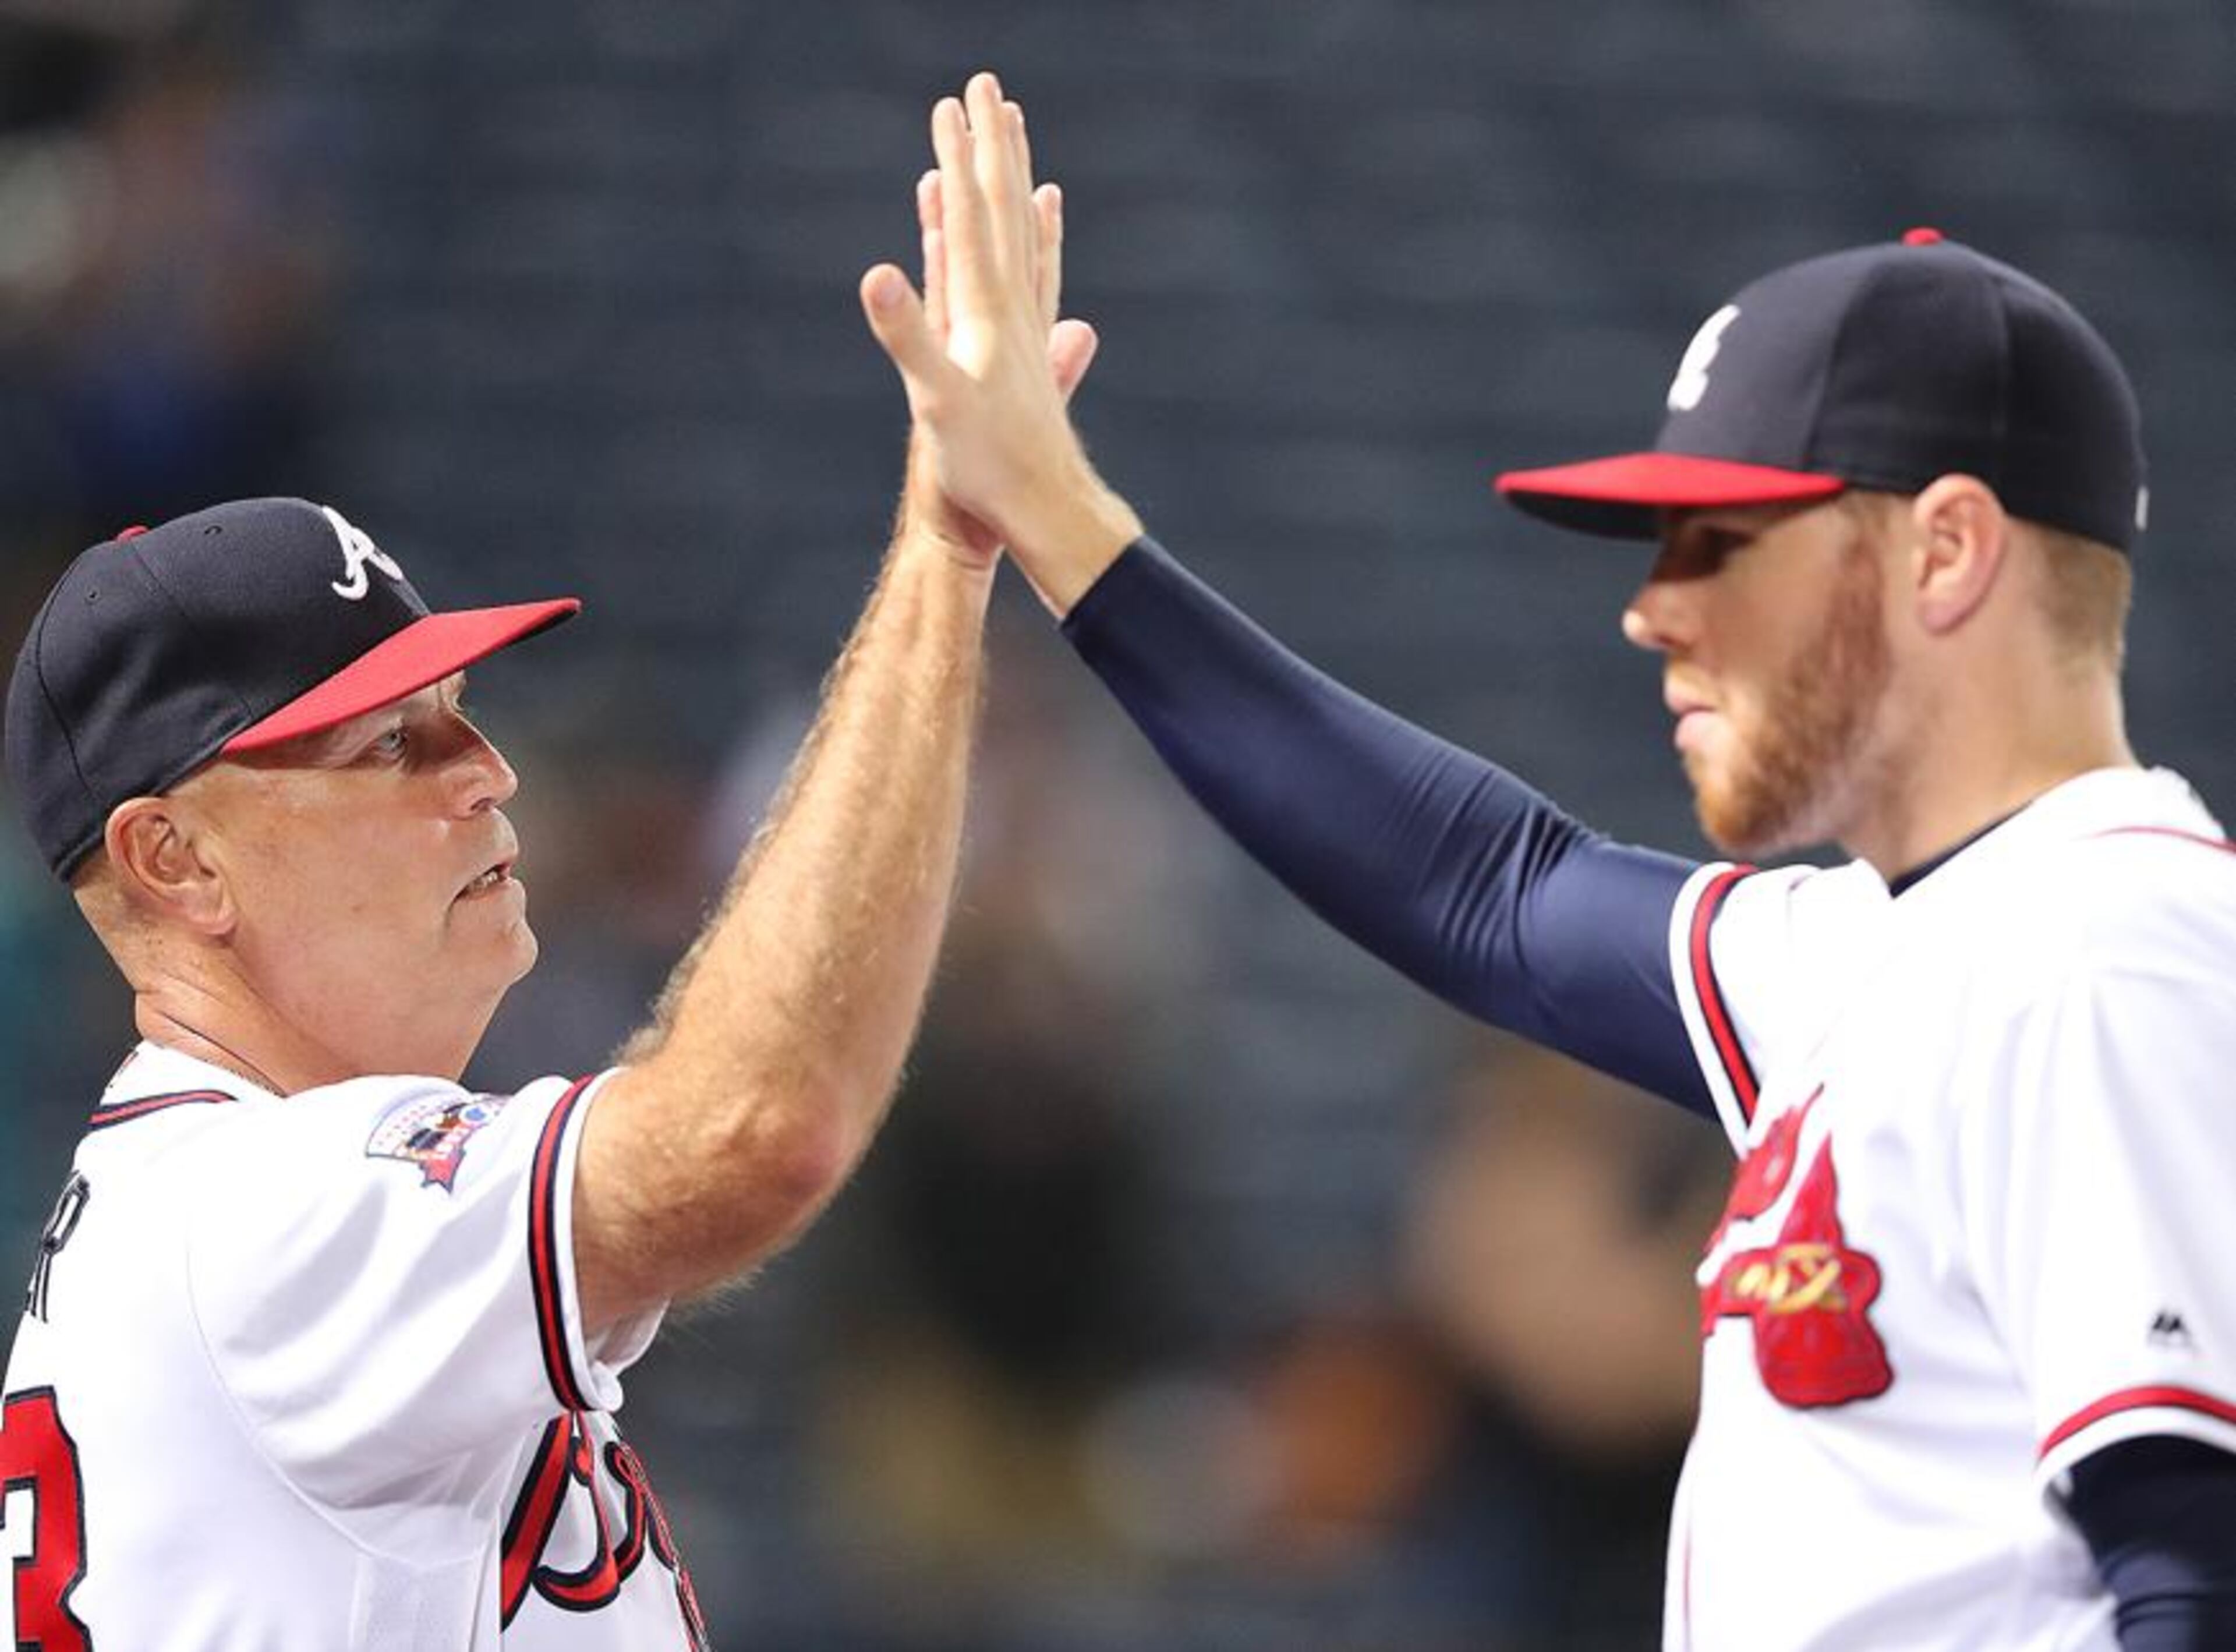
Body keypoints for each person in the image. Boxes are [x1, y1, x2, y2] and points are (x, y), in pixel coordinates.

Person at [859, 71, 2236, 1651]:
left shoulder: (2110, 954)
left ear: (1946, 552)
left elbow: (2195, 1572)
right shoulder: (1891, 944)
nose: (1656, 607)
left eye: (1727, 539)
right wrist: (1057, 519)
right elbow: (1491, 893)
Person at [0, 137, 1094, 1644]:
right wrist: (942, 548)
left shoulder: (214, 1203)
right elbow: (751, 1131)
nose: (487, 772)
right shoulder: (266, 1209)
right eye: (390, 741)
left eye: (460, 710)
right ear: (175, 861)